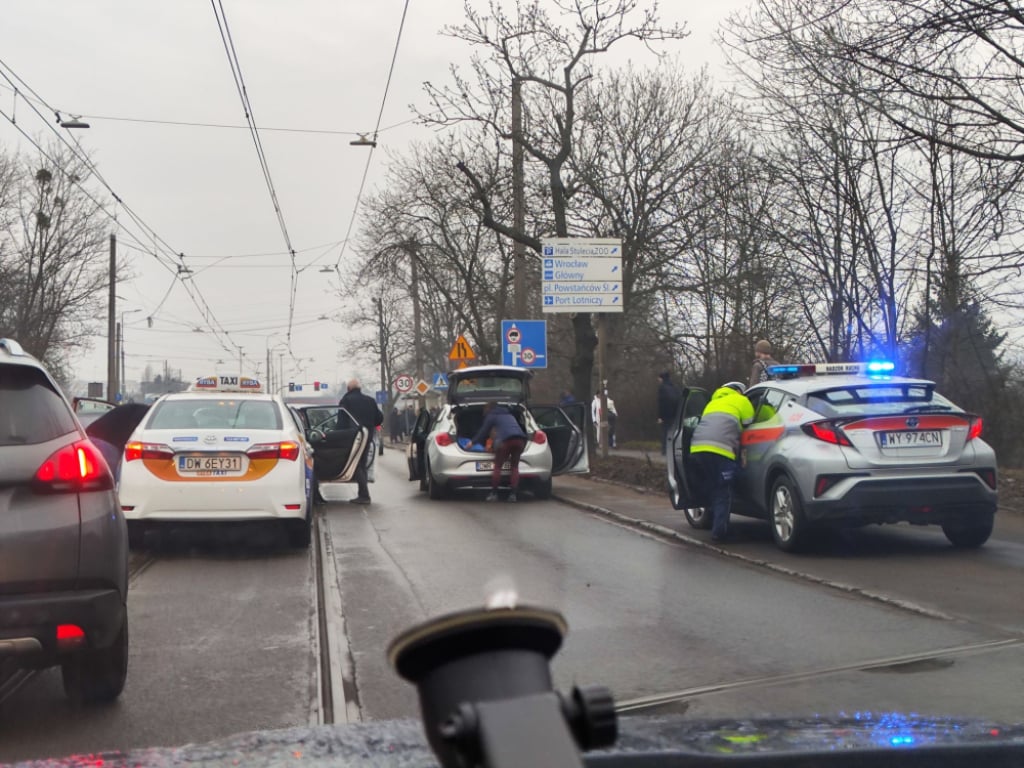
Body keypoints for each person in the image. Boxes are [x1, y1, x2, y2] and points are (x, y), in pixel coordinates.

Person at [689, 381, 754, 542]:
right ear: (739, 391)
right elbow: (749, 422)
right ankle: (720, 533)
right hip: (721, 450)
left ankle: (713, 521)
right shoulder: (742, 400)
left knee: (712, 487)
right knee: (723, 491)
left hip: (697, 449)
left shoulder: (711, 403)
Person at [466, 401, 528, 503]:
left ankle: (494, 493)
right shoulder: (509, 415)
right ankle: (513, 495)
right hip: (520, 440)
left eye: (485, 410)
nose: (484, 412)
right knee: (515, 467)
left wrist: (472, 443)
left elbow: (483, 431)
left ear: (489, 409)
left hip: (505, 441)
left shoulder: (492, 416)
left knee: (498, 466)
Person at [340, 378, 384, 504]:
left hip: (352, 437)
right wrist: (369, 425)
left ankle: (364, 495)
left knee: (357, 464)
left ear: (349, 389)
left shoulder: (346, 401)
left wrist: (337, 435)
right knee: (361, 463)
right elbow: (379, 418)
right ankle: (363, 494)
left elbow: (341, 422)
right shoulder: (370, 401)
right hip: (367, 436)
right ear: (360, 388)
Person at [656, 371, 681, 455]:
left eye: (659, 378)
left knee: (665, 432)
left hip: (666, 415)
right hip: (675, 414)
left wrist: (660, 416)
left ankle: (665, 450)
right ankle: (673, 449)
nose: (658, 380)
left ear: (662, 378)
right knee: (673, 432)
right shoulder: (675, 387)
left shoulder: (662, 388)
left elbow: (661, 403)